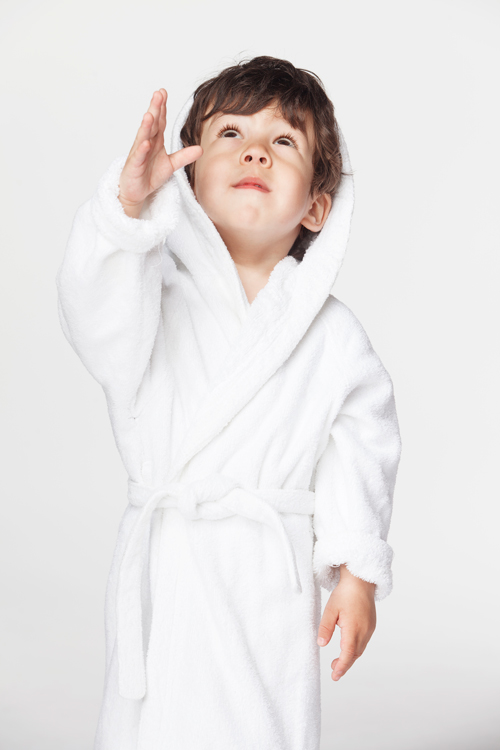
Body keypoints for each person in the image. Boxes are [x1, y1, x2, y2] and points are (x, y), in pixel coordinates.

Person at [56, 55, 402, 750]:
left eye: (283, 142)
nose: (254, 151)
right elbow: (93, 320)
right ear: (187, 180)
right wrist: (125, 213)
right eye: (231, 135)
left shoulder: (333, 336)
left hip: (264, 580)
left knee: (260, 726)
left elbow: (362, 447)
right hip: (168, 568)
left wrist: (357, 573)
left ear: (315, 207)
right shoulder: (149, 291)